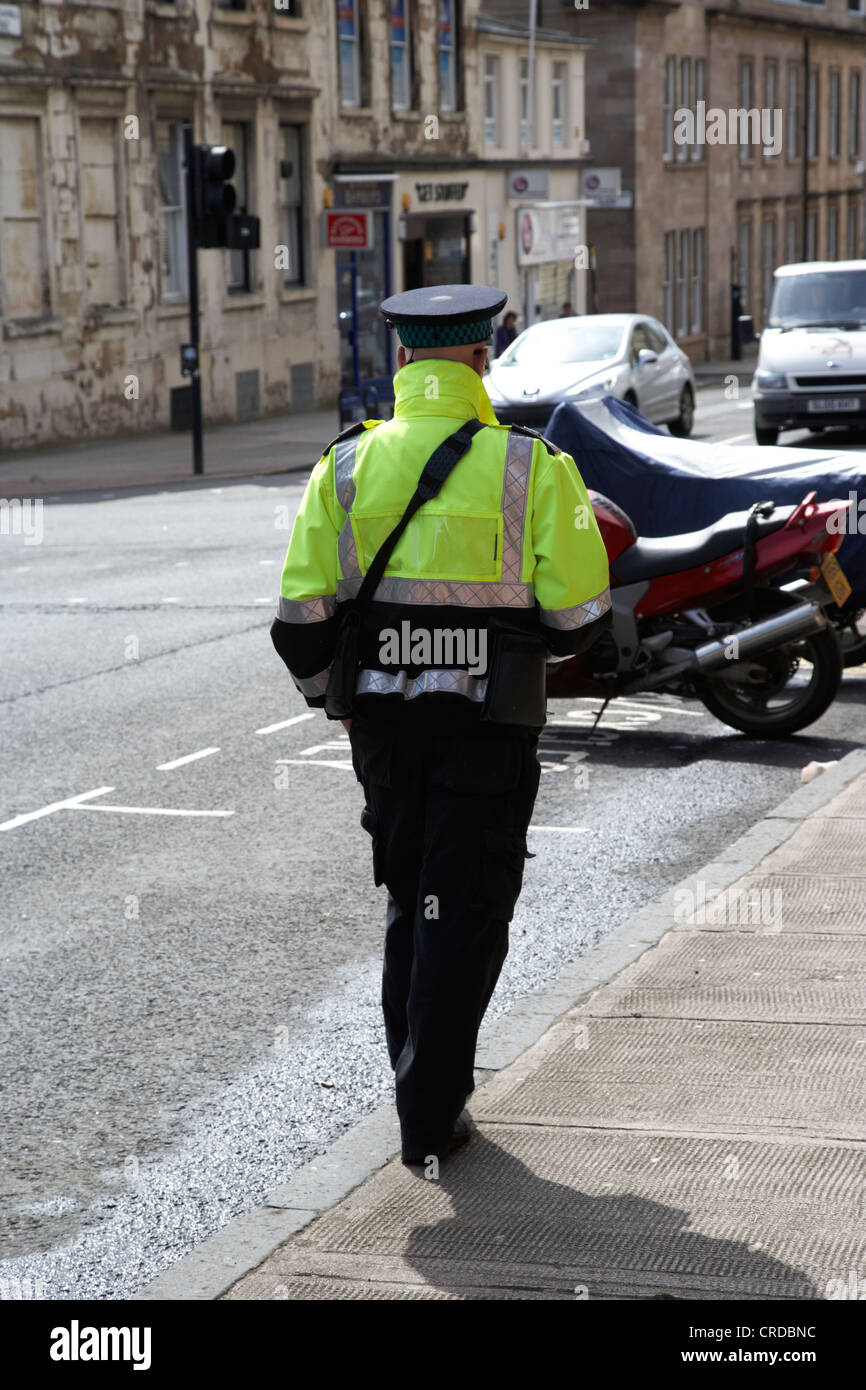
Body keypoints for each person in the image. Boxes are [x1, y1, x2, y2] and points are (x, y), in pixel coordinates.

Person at [270, 284, 611, 1168]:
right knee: (465, 910)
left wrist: (335, 702)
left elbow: (298, 625)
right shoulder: (530, 468)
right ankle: (428, 1115)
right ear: (480, 358)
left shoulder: (341, 469)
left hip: (383, 737)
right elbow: (580, 621)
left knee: (409, 902)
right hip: (487, 734)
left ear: (401, 362)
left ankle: (421, 1089)